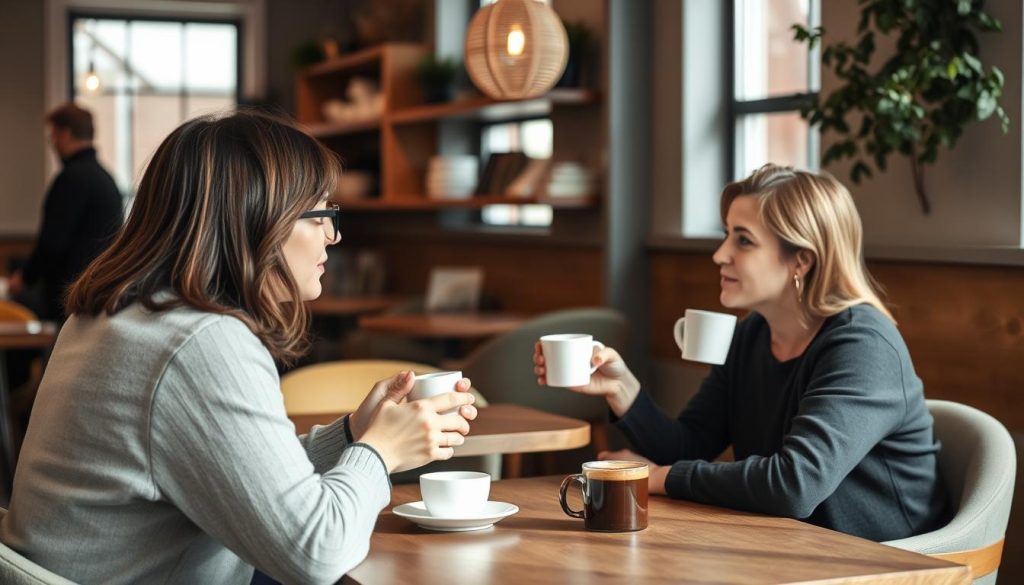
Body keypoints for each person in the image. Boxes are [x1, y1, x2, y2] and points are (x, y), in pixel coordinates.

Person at [0, 110, 477, 584]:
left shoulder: (113, 314)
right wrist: (381, 452)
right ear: (258, 220)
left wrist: (354, 433)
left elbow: (236, 475)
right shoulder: (199, 343)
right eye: (321, 214)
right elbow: (317, 554)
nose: (333, 234)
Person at [534, 164, 948, 542]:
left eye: (743, 240)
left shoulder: (863, 346)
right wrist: (623, 391)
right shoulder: (753, 334)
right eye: (726, 234)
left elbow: (793, 486)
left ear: (801, 260)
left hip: (888, 563)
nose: (720, 255)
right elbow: (690, 446)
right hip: (792, 550)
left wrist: (658, 477)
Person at [8, 102, 124, 322]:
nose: (52, 144)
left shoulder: (71, 179)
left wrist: (25, 278)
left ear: (65, 133)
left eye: (53, 136)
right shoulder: (106, 179)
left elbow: (52, 243)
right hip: (98, 293)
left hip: (70, 296)